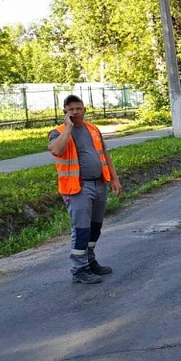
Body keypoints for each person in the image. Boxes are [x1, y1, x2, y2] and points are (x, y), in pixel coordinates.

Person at [48, 95, 123, 284]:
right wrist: (69, 128)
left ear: (84, 110)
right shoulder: (57, 132)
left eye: (78, 108)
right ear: (64, 111)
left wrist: (114, 178)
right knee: (81, 229)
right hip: (77, 188)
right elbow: (56, 150)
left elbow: (105, 155)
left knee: (95, 227)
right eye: (70, 109)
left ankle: (89, 261)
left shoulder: (93, 129)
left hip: (99, 184)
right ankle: (79, 269)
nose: (74, 112)